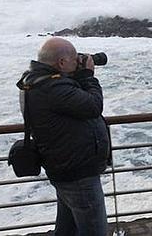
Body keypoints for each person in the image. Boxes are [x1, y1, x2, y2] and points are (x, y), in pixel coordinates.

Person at [16, 37, 109, 236]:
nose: (78, 62)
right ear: (61, 63)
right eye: (74, 59)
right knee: (94, 231)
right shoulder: (53, 88)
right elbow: (93, 106)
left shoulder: (35, 82)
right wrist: (87, 76)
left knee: (67, 230)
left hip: (65, 167)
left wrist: (75, 73)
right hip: (78, 175)